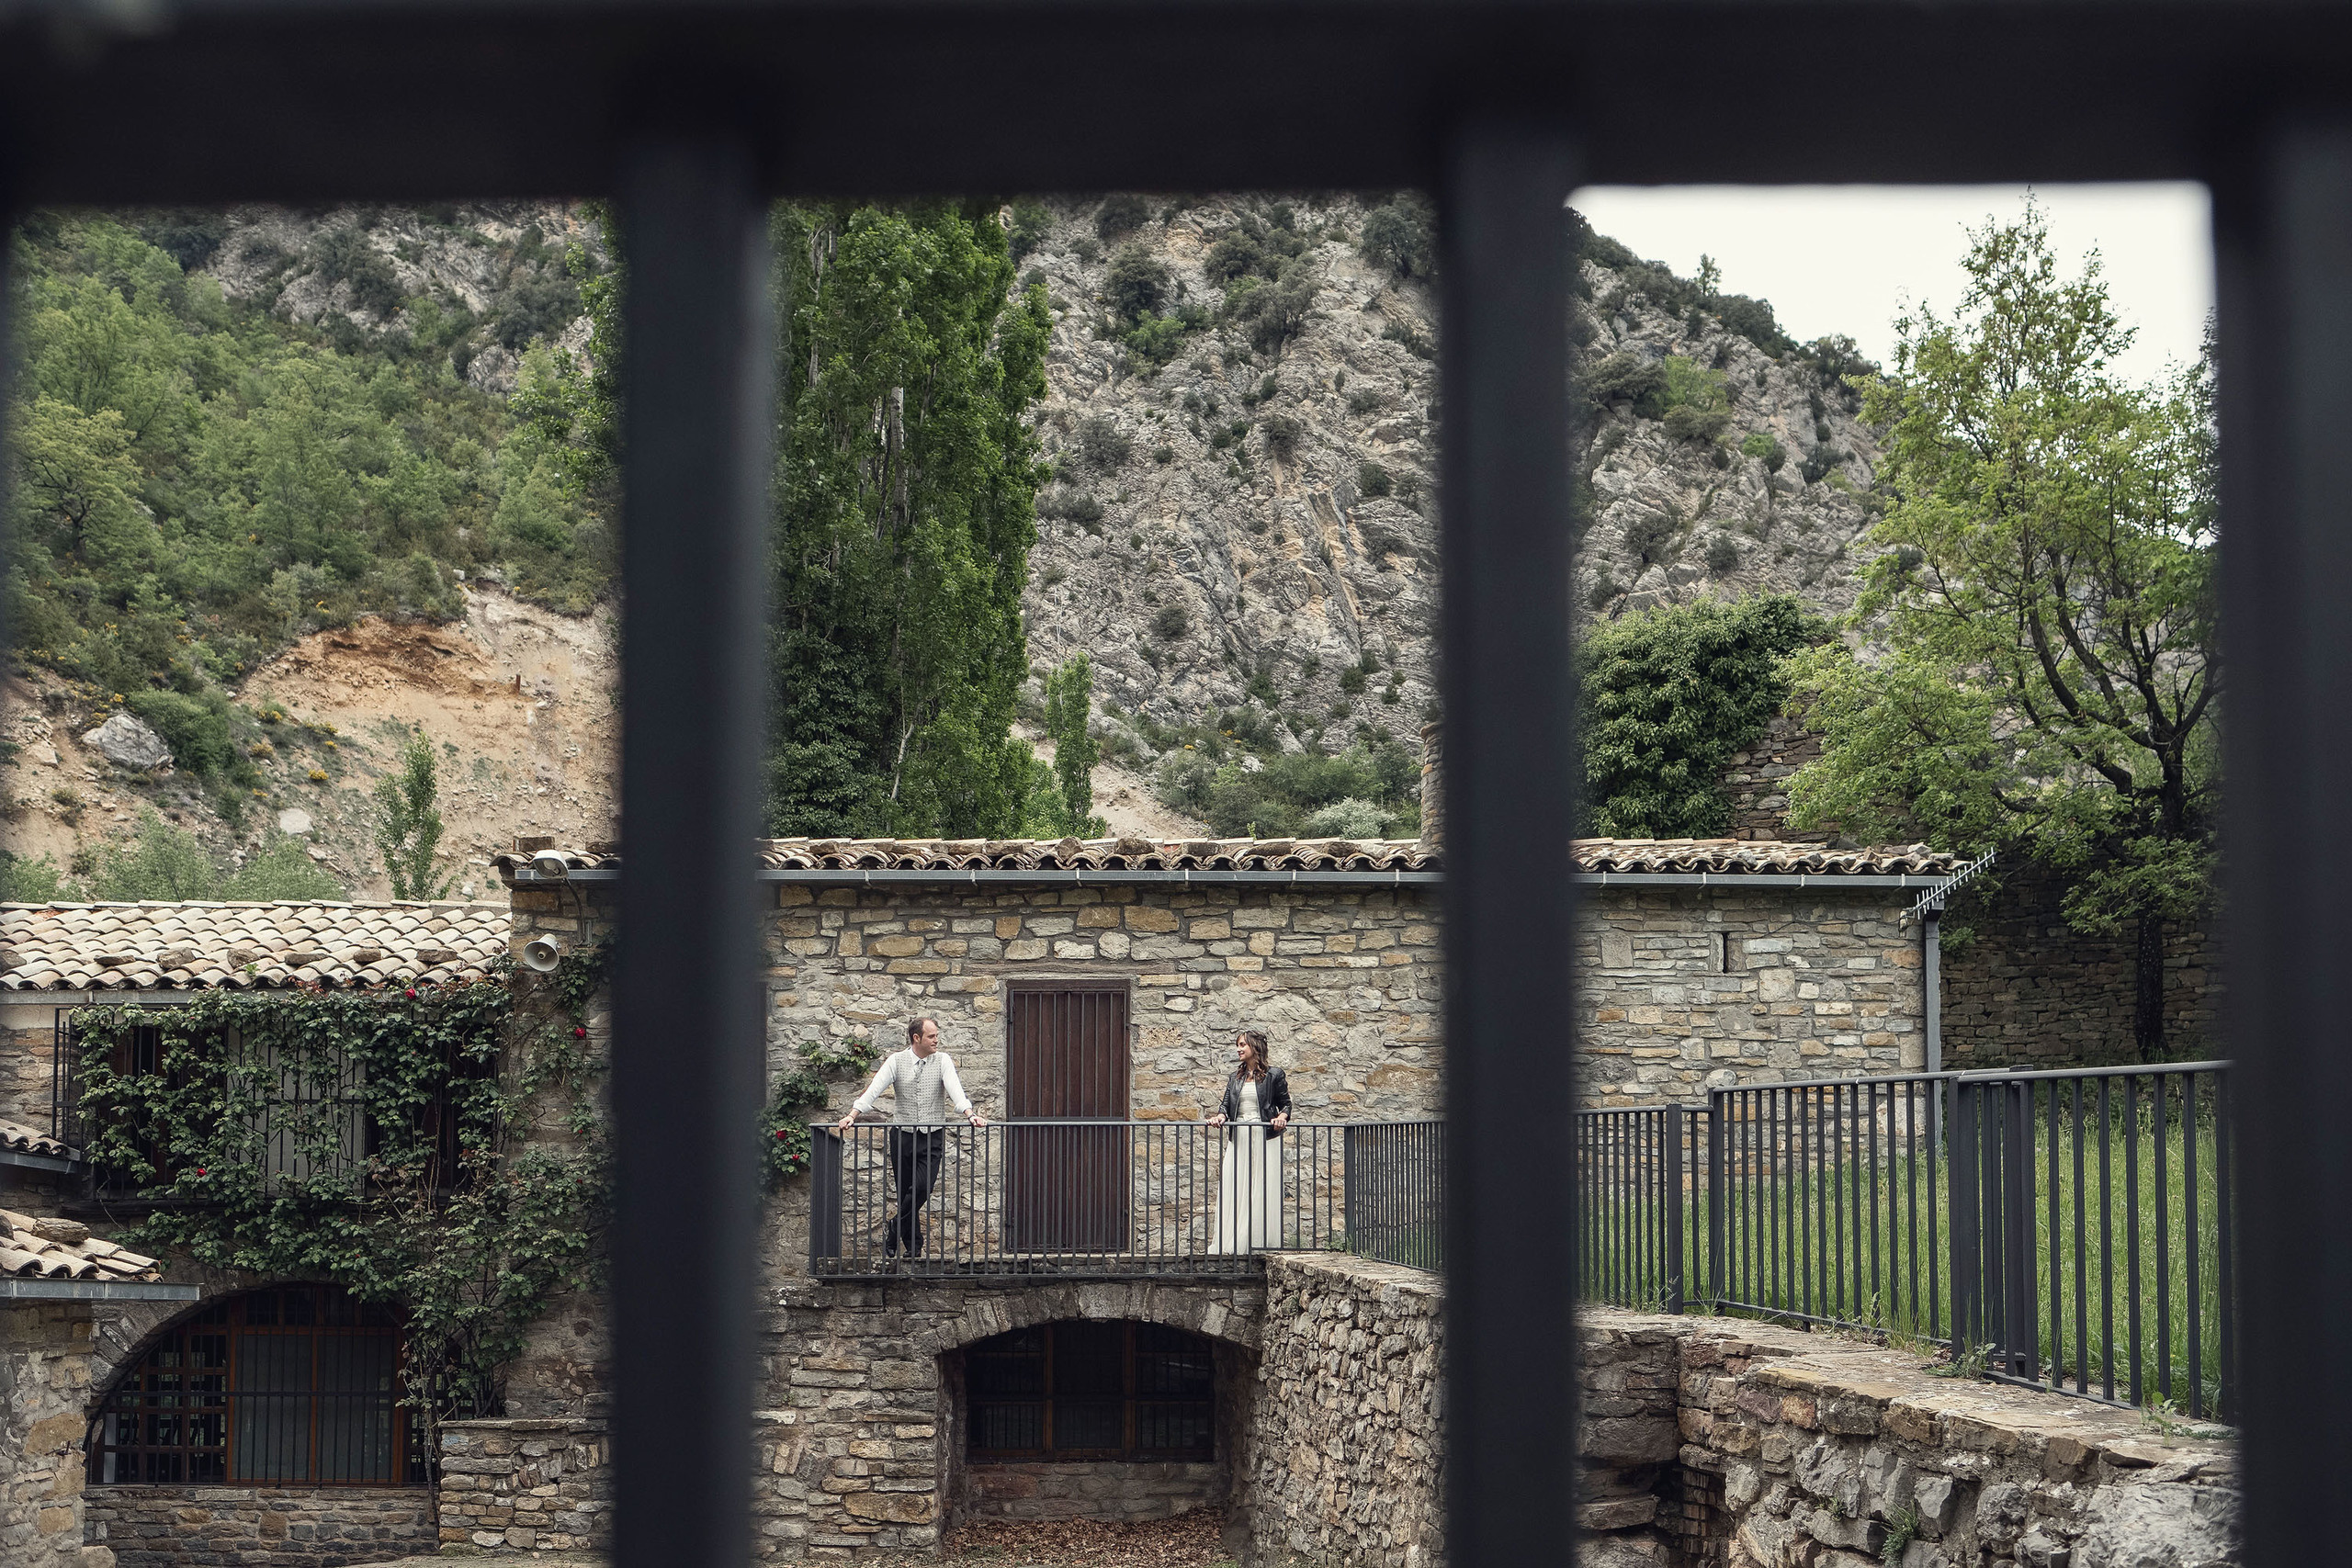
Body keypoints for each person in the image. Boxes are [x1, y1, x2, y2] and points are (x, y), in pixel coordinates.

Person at [838, 1017, 987, 1258]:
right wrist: (852, 1115)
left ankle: (895, 1226)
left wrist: (970, 1114)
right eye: (931, 1036)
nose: (936, 1040)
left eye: (936, 1035)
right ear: (916, 1038)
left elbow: (955, 1090)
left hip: (932, 1136)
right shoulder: (896, 1061)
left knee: (921, 1187)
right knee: (905, 1191)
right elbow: (873, 1090)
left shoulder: (943, 1060)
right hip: (903, 1136)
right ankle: (914, 1247)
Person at [1207, 1030, 1290, 1254]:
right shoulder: (1235, 1078)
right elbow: (1225, 1105)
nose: (1239, 1049)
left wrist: (1281, 1117)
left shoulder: (1275, 1075)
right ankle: (1233, 1240)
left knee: (1260, 1185)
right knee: (1236, 1184)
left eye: (1243, 1044)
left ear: (1255, 1046)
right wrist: (1220, 1117)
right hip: (1240, 1136)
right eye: (1238, 1045)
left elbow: (1286, 1104)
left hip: (1264, 1136)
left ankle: (1257, 1240)